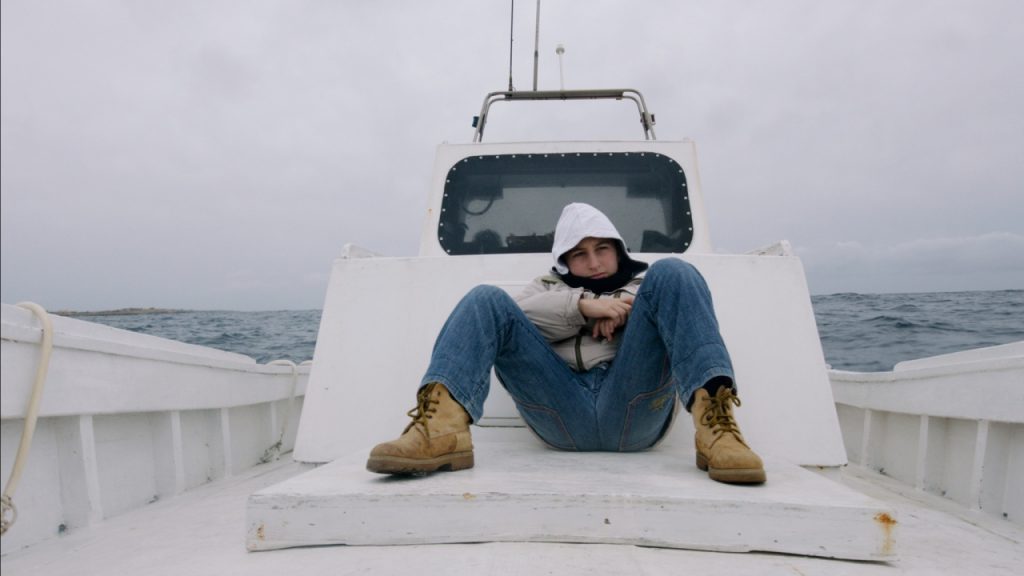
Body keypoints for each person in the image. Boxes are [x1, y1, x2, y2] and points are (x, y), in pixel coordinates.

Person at [366, 203, 766, 485]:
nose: (593, 263)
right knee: (485, 299)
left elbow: (663, 302)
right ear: (564, 260)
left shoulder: (648, 286)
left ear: (618, 249)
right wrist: (585, 307)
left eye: (602, 249)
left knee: (676, 271)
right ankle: (441, 432)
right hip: (559, 412)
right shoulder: (545, 287)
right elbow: (516, 314)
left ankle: (717, 432)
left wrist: (625, 307)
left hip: (633, 407)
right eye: (580, 254)